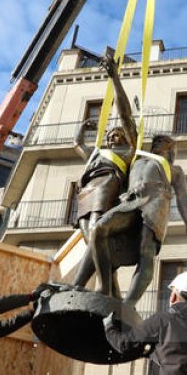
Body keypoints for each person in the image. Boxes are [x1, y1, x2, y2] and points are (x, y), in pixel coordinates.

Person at [89, 134, 187, 306]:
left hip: (156, 205)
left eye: (164, 141)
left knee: (146, 250)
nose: (158, 142)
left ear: (171, 149)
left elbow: (182, 195)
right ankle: (104, 287)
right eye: (156, 140)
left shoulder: (174, 170)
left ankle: (128, 305)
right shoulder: (137, 158)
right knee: (99, 228)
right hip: (130, 201)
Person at [68, 51, 138, 296]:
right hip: (86, 193)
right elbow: (77, 145)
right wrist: (82, 128)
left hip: (107, 187)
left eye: (117, 134)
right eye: (110, 135)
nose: (113, 136)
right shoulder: (96, 154)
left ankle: (79, 284)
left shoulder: (129, 150)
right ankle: (113, 293)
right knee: (93, 242)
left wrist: (115, 79)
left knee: (97, 235)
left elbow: (125, 114)